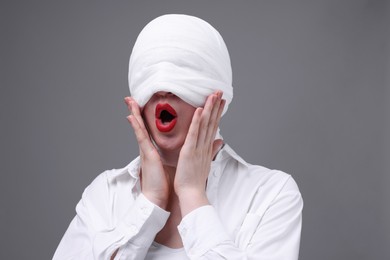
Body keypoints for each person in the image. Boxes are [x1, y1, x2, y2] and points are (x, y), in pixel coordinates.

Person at [53, 14, 303, 260]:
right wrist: (149, 203)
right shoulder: (106, 194)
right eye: (149, 71)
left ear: (218, 96)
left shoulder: (268, 195)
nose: (163, 88)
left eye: (185, 70)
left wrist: (193, 195)